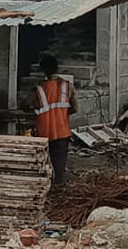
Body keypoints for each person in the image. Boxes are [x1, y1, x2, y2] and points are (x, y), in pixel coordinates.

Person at [28, 54, 77, 184]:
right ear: (57, 68)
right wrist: (62, 114)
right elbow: (75, 108)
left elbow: (25, 104)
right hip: (62, 131)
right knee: (59, 165)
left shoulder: (40, 89)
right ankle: (58, 188)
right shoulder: (67, 86)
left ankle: (46, 186)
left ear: (43, 70)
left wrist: (36, 110)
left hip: (44, 132)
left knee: (44, 163)